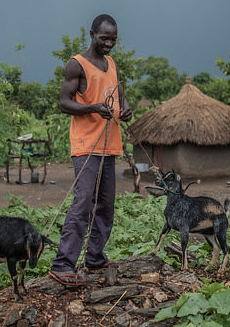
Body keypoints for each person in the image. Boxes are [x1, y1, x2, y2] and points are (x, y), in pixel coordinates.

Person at [49, 14, 132, 287]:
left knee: (106, 206)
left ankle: (95, 257)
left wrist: (126, 108)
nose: (109, 44)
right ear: (92, 34)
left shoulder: (111, 64)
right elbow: (64, 102)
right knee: (83, 202)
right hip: (86, 146)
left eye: (113, 39)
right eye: (104, 38)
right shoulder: (77, 64)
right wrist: (92, 108)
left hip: (110, 145)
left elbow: (119, 94)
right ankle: (63, 264)